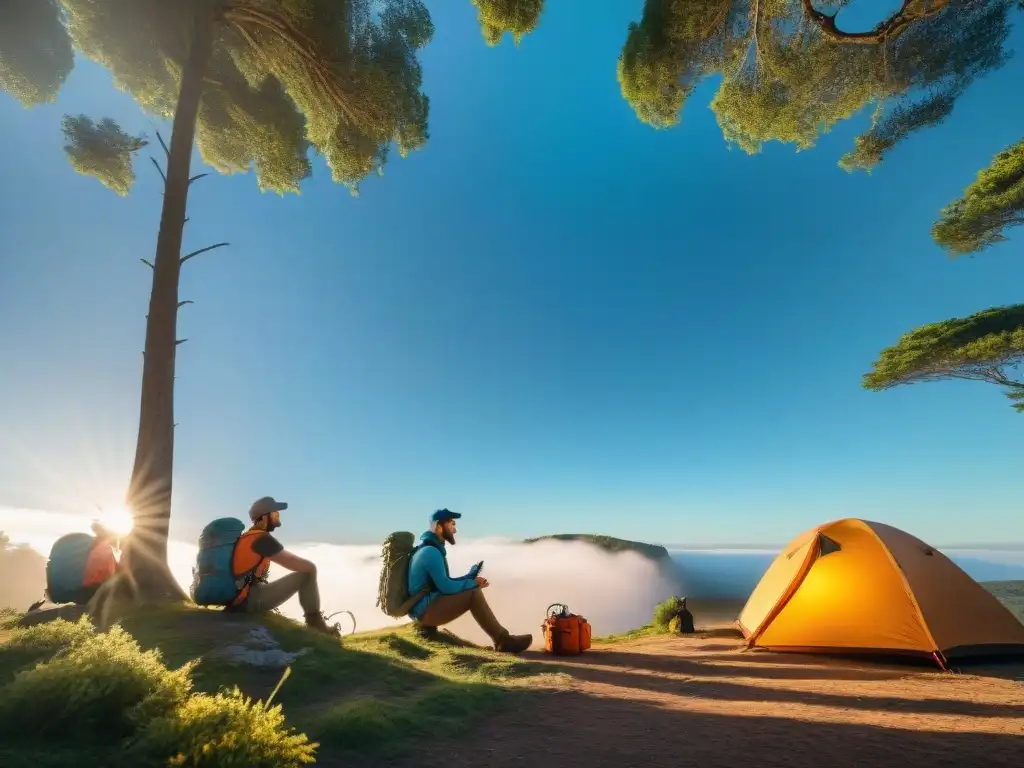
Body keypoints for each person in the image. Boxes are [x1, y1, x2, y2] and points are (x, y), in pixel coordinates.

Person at [407, 509, 532, 653]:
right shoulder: (431, 553)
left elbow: (442, 583)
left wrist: (468, 577)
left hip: (424, 608)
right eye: (452, 524)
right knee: (473, 594)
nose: (454, 530)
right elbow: (446, 587)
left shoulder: (429, 549)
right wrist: (472, 584)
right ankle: (503, 641)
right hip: (425, 613)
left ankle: (503, 639)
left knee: (472, 589)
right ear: (439, 526)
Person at [229, 496, 338, 636]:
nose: (278, 516)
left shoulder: (246, 537)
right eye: (275, 513)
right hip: (249, 600)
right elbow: (300, 565)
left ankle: (316, 624)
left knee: (307, 571)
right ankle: (317, 627)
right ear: (263, 517)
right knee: (308, 572)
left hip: (239, 598)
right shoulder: (261, 539)